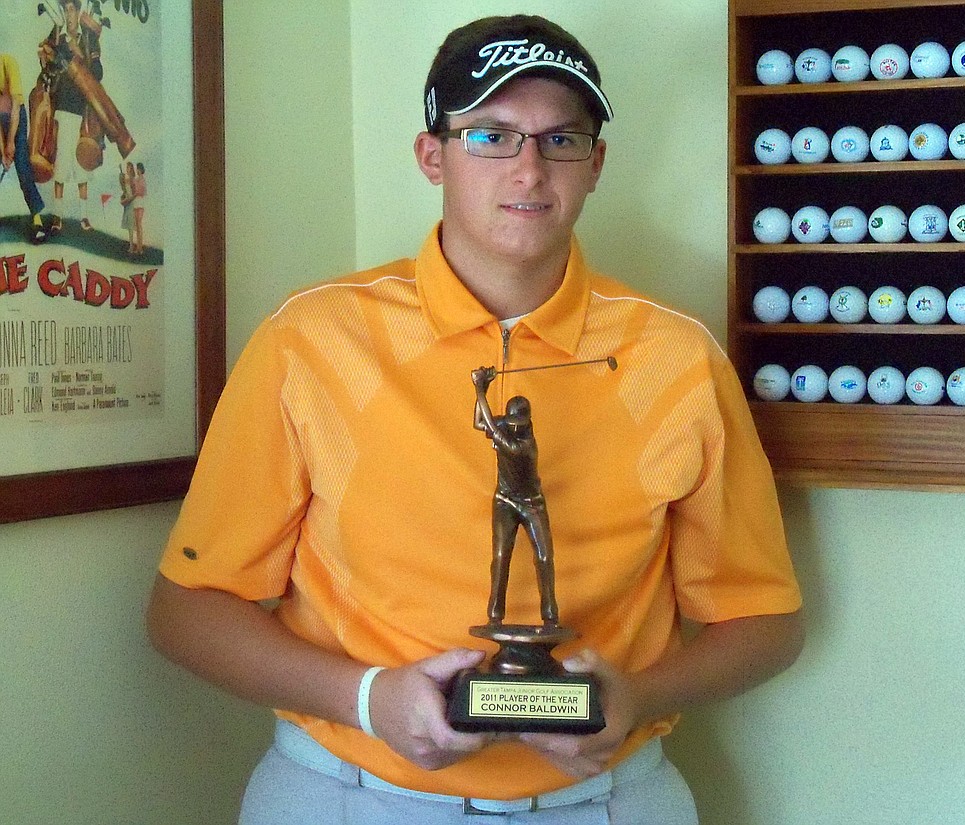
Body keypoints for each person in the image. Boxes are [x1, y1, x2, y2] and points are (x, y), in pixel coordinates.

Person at [147, 14, 803, 825]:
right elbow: (185, 610)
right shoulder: (312, 341)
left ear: (596, 164)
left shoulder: (677, 357)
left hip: (606, 800)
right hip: (346, 795)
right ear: (434, 156)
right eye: (491, 136)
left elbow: (765, 620)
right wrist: (364, 696)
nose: (529, 170)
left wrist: (640, 694)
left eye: (560, 140)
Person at [472, 367, 557, 627]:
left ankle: (551, 618)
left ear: (528, 422)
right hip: (505, 501)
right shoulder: (507, 426)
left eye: (518, 425)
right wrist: (483, 392)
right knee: (500, 556)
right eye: (510, 424)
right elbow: (478, 422)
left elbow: (487, 423)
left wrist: (478, 388)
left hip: (532, 503)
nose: (514, 428)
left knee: (544, 557)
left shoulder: (525, 447)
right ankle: (494, 617)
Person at [38, 0, 102, 233]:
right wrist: (46, 57)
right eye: (65, 9)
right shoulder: (57, 36)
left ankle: (84, 217)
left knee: (83, 165)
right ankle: (58, 218)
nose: (68, 13)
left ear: (78, 10)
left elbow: (99, 72)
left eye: (72, 9)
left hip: (84, 110)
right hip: (63, 107)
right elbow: (47, 70)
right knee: (62, 165)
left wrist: (79, 57)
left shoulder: (88, 39)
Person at [0, 52, 48, 244]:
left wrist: (11, 143)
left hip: (15, 118)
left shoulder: (8, 62)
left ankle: (37, 220)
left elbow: (15, 109)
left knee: (22, 166)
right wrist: (3, 150)